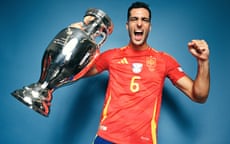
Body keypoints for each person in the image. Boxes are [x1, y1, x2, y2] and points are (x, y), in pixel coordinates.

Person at [71, 1, 210, 144]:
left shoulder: (164, 60)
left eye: (144, 20)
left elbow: (199, 95)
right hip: (107, 139)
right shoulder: (111, 56)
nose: (139, 24)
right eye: (134, 19)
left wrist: (203, 61)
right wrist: (77, 36)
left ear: (150, 27)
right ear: (127, 26)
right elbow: (75, 73)